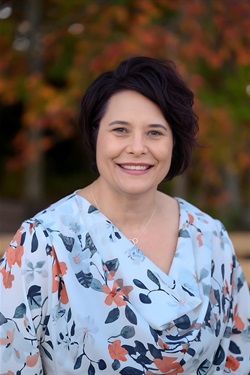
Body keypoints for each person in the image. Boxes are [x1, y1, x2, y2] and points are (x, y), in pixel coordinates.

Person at [0, 56, 249, 375]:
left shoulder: (210, 237)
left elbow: (238, 356)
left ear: (174, 141)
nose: (136, 147)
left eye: (155, 133)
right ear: (95, 136)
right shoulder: (40, 245)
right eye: (120, 130)